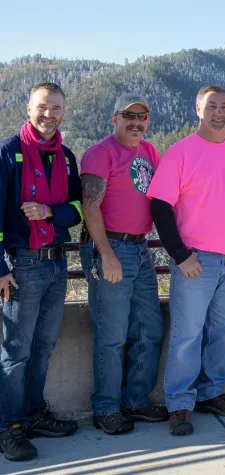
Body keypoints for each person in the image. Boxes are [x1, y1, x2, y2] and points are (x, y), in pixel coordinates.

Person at [147, 85, 225, 436]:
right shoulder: (180, 153)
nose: (219, 112)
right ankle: (180, 404)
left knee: (223, 334)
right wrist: (180, 256)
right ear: (198, 109)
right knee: (187, 335)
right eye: (211, 106)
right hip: (197, 262)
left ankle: (211, 392)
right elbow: (160, 206)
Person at [0, 82, 82, 461]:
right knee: (15, 351)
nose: (49, 115)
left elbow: (77, 211)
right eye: (43, 107)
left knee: (43, 347)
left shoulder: (66, 157)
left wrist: (49, 211)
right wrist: (0, 268)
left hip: (55, 260)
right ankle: (9, 427)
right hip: (21, 263)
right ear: (28, 107)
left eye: (57, 109)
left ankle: (33, 415)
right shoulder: (8, 152)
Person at [79, 93, 167, 435]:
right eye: (128, 116)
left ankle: (136, 400)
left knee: (149, 328)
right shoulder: (100, 153)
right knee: (112, 334)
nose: (136, 122)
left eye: (142, 117)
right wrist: (106, 254)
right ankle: (106, 408)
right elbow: (90, 208)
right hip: (111, 247)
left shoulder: (148, 151)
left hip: (141, 248)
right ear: (115, 118)